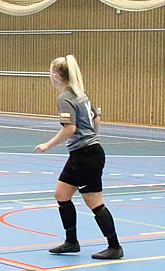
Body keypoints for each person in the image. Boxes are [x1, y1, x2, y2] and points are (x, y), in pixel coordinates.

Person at [32, 54, 122, 259]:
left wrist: (48, 144)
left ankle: (115, 246)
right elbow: (96, 119)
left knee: (94, 202)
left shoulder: (64, 98)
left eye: (50, 72)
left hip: (86, 156)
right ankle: (71, 242)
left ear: (56, 75)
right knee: (61, 195)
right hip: (82, 153)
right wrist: (91, 137)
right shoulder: (81, 94)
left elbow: (70, 128)